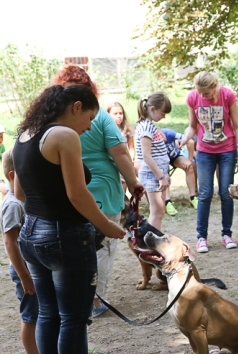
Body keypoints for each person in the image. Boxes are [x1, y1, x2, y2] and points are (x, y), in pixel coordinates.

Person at [14, 84, 126, 354]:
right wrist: (107, 226)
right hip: (65, 236)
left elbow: (19, 193)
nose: (89, 126)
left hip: (32, 234)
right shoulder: (64, 136)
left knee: (48, 313)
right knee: (75, 318)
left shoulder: (24, 134)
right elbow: (78, 195)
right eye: (90, 117)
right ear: (76, 107)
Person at [52, 66, 141, 318]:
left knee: (72, 248)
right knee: (102, 247)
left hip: (68, 192)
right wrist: (133, 182)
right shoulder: (99, 116)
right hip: (102, 192)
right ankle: (94, 301)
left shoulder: (52, 118)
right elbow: (121, 152)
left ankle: (72, 297)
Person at [183, 71, 238, 253]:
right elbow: (192, 126)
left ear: (215, 85)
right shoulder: (193, 97)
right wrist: (184, 138)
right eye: (200, 92)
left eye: (206, 93)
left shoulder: (227, 95)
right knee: (205, 193)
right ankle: (201, 237)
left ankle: (227, 234)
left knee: (227, 193)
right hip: (204, 151)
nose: (202, 96)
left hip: (227, 150)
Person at [1, 151, 41, 354]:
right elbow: (10, 242)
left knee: (39, 313)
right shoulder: (13, 205)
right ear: (14, 175)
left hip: (33, 270)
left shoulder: (24, 199)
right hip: (24, 272)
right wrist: (24, 276)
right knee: (30, 316)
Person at [136, 93, 172, 230]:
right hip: (152, 175)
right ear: (152, 109)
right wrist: (161, 176)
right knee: (157, 211)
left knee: (159, 211)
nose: (164, 116)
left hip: (157, 175)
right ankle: (151, 244)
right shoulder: (146, 127)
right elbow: (146, 156)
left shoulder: (150, 126)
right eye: (162, 113)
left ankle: (153, 242)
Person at [161, 128, 198, 210]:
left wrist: (189, 160)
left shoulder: (169, 133)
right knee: (164, 173)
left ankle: (193, 197)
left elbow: (190, 142)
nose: (162, 139)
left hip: (174, 156)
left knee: (190, 167)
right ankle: (167, 202)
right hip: (161, 160)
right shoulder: (151, 140)